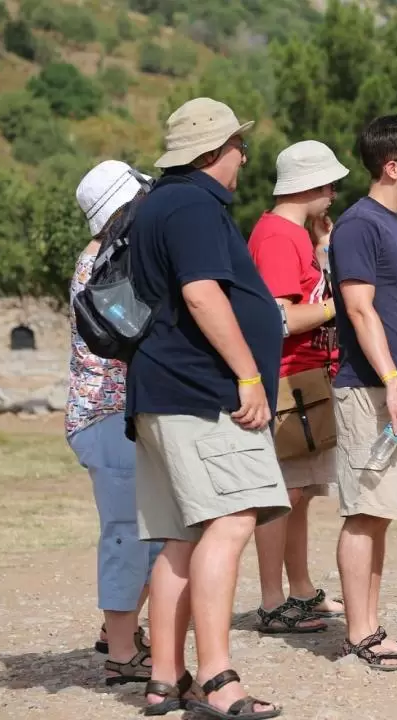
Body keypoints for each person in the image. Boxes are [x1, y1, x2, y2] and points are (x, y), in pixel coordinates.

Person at [128, 97, 290, 719]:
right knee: (232, 521)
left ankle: (166, 679)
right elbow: (200, 293)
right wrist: (247, 374)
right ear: (213, 153)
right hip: (201, 393)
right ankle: (218, 679)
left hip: (161, 390)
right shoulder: (194, 204)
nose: (244, 159)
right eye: (237, 147)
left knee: (179, 536)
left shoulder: (157, 203)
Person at [328, 115, 397, 671]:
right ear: (392, 166)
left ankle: (371, 625)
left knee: (382, 512)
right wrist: (395, 386)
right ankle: (358, 634)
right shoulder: (359, 226)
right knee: (363, 511)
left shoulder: (392, 225)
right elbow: (358, 309)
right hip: (368, 392)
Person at [247, 140, 350, 633]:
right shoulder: (276, 238)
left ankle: (302, 589)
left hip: (306, 381)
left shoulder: (295, 235)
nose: (333, 192)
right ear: (307, 185)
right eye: (328, 184)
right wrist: (340, 309)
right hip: (289, 382)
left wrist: (324, 248)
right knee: (282, 493)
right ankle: (273, 601)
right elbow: (281, 316)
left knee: (302, 492)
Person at [68, 159, 162, 686]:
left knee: (146, 531)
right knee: (129, 533)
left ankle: (118, 630)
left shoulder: (104, 260)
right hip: (107, 416)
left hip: (107, 416)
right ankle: (123, 652)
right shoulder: (102, 269)